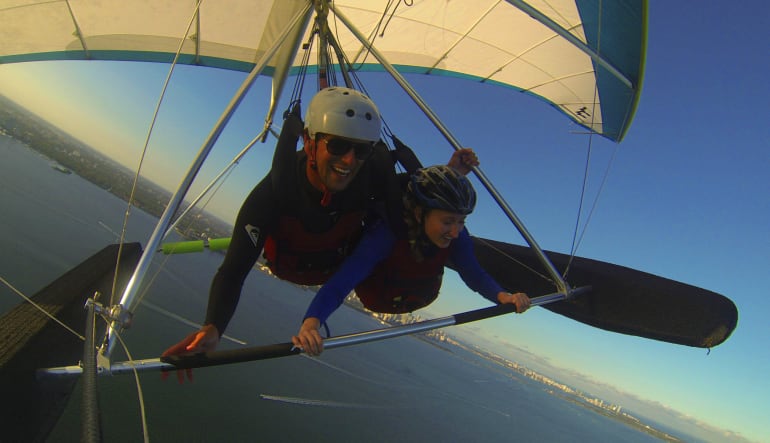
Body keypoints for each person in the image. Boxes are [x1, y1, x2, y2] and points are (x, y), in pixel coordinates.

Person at [162, 87, 475, 376]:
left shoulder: (371, 178)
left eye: (361, 150)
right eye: (337, 145)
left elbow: (421, 197)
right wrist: (213, 327)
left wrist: (453, 173)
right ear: (309, 142)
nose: (349, 160)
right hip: (290, 262)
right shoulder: (273, 196)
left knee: (411, 230)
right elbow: (233, 271)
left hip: (339, 263)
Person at [292, 165, 531, 356]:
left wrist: (504, 296)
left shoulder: (458, 236)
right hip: (379, 294)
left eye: (462, 221)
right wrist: (311, 324)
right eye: (448, 221)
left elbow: (474, 274)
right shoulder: (385, 235)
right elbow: (340, 285)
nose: (456, 231)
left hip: (417, 293)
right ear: (419, 213)